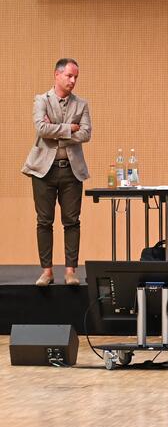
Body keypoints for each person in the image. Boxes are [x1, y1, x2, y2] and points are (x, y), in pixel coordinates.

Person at [22, 58, 92, 286]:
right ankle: (47, 271)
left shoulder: (81, 104)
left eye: (76, 78)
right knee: (44, 221)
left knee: (72, 221)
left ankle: (70, 271)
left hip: (71, 171)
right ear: (57, 75)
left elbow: (86, 134)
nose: (73, 81)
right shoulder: (41, 100)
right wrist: (70, 128)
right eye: (69, 76)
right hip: (44, 170)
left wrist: (56, 129)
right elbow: (41, 129)